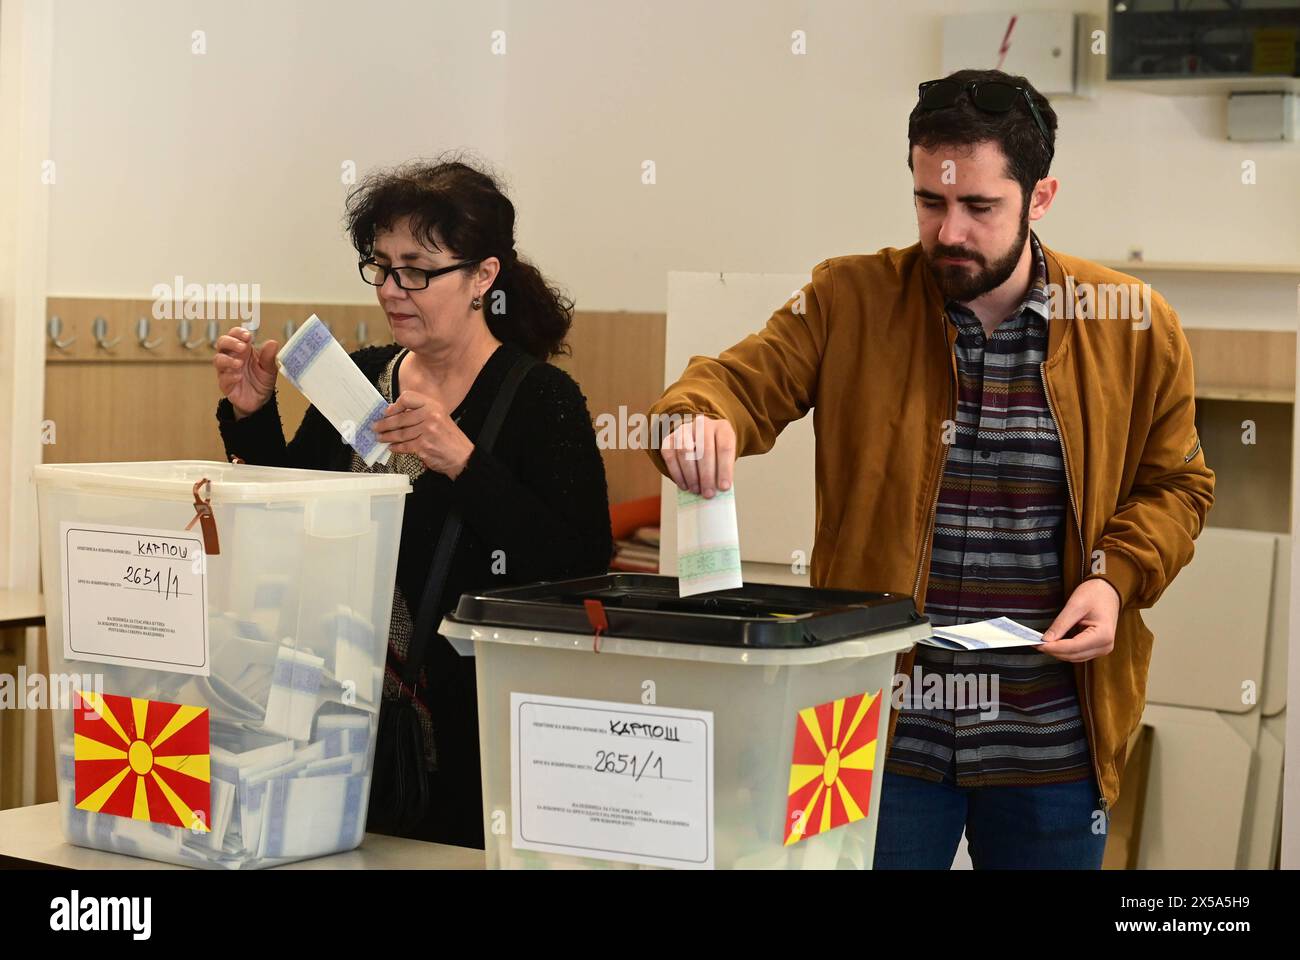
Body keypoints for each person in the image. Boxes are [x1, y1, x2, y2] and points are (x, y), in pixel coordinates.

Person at [644, 69, 1214, 869]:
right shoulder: (851, 298)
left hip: (1052, 737)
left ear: (1040, 197)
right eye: (929, 202)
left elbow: (1179, 485)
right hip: (867, 725)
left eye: (980, 207)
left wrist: (1114, 577)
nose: (949, 232)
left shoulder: (1132, 324)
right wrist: (694, 421)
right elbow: (733, 384)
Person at [213, 156, 613, 848]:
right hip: (334, 718)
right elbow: (295, 508)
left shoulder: (539, 400)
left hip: (471, 734)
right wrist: (252, 414)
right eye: (383, 266)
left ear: (482, 277)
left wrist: (461, 461)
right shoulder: (366, 374)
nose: (394, 289)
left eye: (418, 271)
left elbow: (579, 562)